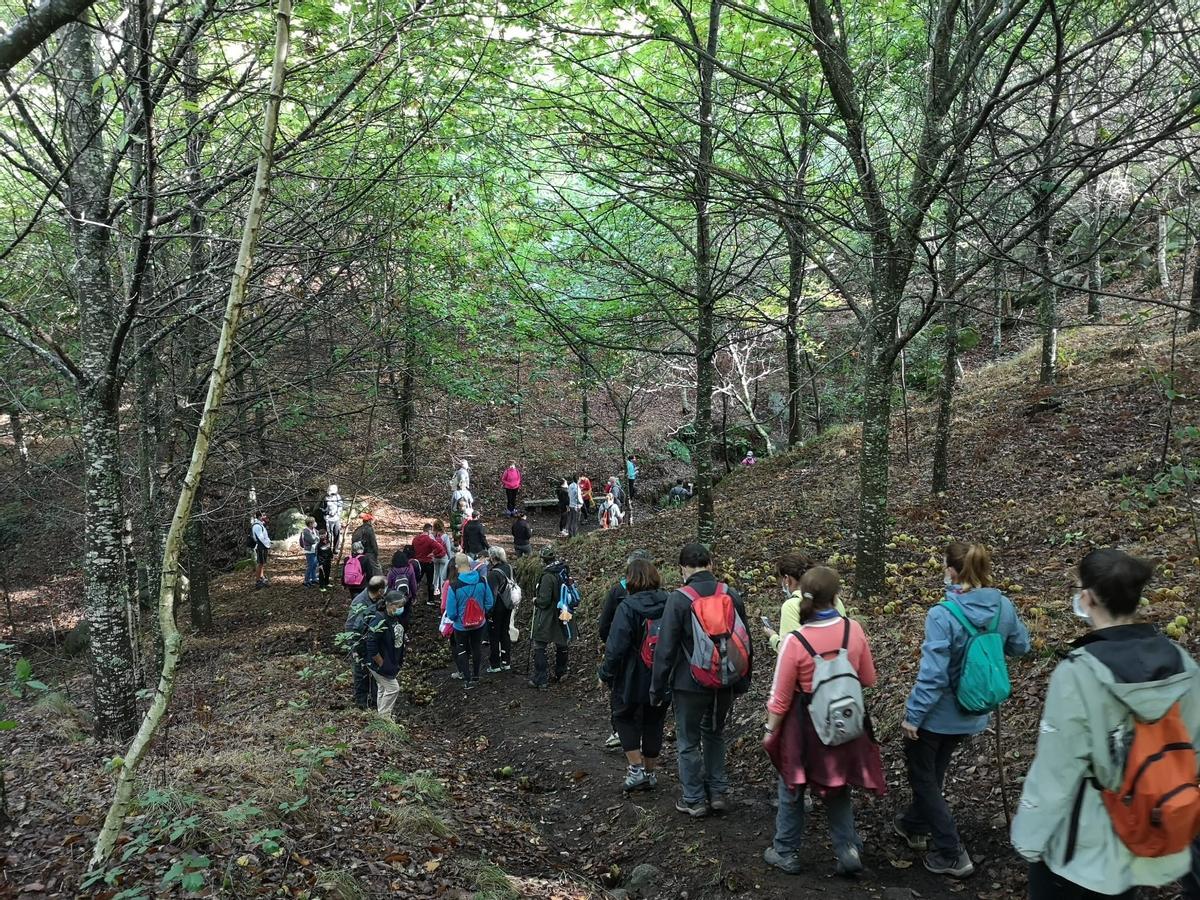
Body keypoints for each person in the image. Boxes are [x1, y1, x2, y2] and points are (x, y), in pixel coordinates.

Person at [1011, 549, 1200, 900]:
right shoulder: (1181, 664)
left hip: (1081, 847)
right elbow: (1190, 748)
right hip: (1142, 835)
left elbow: (1056, 772)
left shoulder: (1079, 673)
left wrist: (1029, 839)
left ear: (1088, 596)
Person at [899, 542, 1030, 879]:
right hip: (974, 711)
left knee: (922, 776)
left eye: (944, 565)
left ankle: (951, 852)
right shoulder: (1002, 605)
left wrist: (913, 715)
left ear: (953, 571)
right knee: (934, 770)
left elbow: (933, 675)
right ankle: (913, 823)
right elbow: (1021, 645)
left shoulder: (943, 614)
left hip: (936, 714)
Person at [762, 566, 883, 877]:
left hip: (804, 727)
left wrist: (769, 730)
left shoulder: (795, 642)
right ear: (836, 596)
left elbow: (780, 697)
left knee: (792, 786)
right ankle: (848, 849)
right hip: (846, 722)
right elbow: (868, 678)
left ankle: (785, 851)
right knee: (838, 785)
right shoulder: (853, 630)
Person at [651, 542, 753, 817]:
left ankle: (694, 799)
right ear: (711, 564)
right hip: (726, 681)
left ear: (683, 568)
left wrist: (657, 688)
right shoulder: (730, 594)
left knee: (688, 740)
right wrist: (743, 680)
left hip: (689, 683)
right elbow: (746, 640)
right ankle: (718, 792)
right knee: (715, 733)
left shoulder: (679, 599)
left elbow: (666, 648)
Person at [599, 557, 670, 792]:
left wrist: (605, 674)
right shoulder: (670, 601)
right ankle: (650, 773)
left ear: (630, 580)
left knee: (624, 716)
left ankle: (636, 769)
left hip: (631, 674)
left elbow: (615, 645)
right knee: (655, 720)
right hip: (662, 673)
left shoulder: (627, 607)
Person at [598, 550, 654, 749]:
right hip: (654, 657)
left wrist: (610, 647)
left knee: (621, 697)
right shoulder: (663, 597)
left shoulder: (618, 592)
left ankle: (620, 734)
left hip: (624, 656)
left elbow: (604, 625)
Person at [762, 551, 846, 653]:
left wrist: (773, 638)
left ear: (787, 579)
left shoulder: (790, 606)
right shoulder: (835, 600)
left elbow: (789, 651)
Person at [445, 553, 494, 688]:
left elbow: (451, 612)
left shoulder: (454, 586)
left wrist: (457, 619)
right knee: (476, 648)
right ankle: (476, 675)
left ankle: (467, 680)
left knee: (462, 650)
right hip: (479, 624)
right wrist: (482, 613)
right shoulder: (482, 580)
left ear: (456, 566)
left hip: (461, 626)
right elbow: (489, 602)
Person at [531, 546, 572, 689]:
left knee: (539, 645)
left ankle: (540, 679)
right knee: (562, 643)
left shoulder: (548, 576)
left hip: (548, 615)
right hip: (563, 612)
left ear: (543, 560)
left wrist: (536, 601)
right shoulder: (562, 570)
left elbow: (544, 601)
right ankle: (561, 673)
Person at [344, 575, 387, 708]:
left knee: (376, 674)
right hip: (360, 643)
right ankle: (361, 703)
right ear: (380, 590)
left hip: (374, 643)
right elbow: (351, 626)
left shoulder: (379, 599)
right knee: (360, 673)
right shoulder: (360, 602)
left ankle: (376, 702)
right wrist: (355, 648)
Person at [364, 589, 407, 719]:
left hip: (391, 660)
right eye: (398, 606)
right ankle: (384, 717)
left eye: (402, 606)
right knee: (393, 688)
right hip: (379, 663)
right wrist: (381, 663)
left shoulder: (394, 617)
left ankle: (381, 716)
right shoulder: (379, 619)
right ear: (389, 605)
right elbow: (371, 643)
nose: (401, 609)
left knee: (382, 688)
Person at [485, 547, 516, 673]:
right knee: (505, 632)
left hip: (497, 608)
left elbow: (492, 595)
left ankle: (495, 664)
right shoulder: (509, 568)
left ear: (493, 557)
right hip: (508, 605)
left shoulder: (493, 574)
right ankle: (506, 661)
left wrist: (488, 611)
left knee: (494, 635)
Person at [412, 522, 447, 606]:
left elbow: (412, 549)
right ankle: (430, 599)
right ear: (429, 530)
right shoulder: (429, 540)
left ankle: (413, 597)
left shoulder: (415, 539)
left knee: (416, 580)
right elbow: (440, 548)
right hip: (428, 563)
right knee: (430, 581)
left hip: (418, 563)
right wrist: (434, 554)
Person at [251, 513, 271, 589]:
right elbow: (260, 538)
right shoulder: (256, 526)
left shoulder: (260, 524)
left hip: (263, 546)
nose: (265, 517)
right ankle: (258, 581)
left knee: (262, 563)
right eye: (263, 515)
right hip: (260, 547)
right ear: (259, 517)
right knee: (260, 563)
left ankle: (262, 578)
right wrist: (267, 544)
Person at [300, 517, 320, 587]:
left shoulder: (314, 530)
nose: (315, 523)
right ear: (310, 523)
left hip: (315, 549)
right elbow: (312, 540)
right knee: (310, 565)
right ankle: (306, 580)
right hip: (309, 551)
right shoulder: (306, 531)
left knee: (315, 565)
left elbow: (318, 537)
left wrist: (317, 538)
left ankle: (313, 578)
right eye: (313, 522)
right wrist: (317, 538)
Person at [324, 485, 344, 550]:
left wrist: (337, 514)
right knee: (328, 535)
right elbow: (322, 508)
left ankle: (335, 548)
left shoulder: (338, 497)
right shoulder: (325, 498)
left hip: (336, 518)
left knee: (337, 533)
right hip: (328, 519)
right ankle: (328, 548)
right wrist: (327, 512)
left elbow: (340, 506)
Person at [316, 527, 333, 592]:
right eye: (321, 535)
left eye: (324, 534)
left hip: (328, 560)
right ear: (319, 536)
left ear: (326, 534)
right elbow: (318, 555)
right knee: (322, 574)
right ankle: (321, 586)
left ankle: (327, 583)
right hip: (322, 561)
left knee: (327, 572)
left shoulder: (328, 541)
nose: (323, 536)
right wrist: (320, 563)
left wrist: (331, 556)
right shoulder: (319, 545)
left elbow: (329, 549)